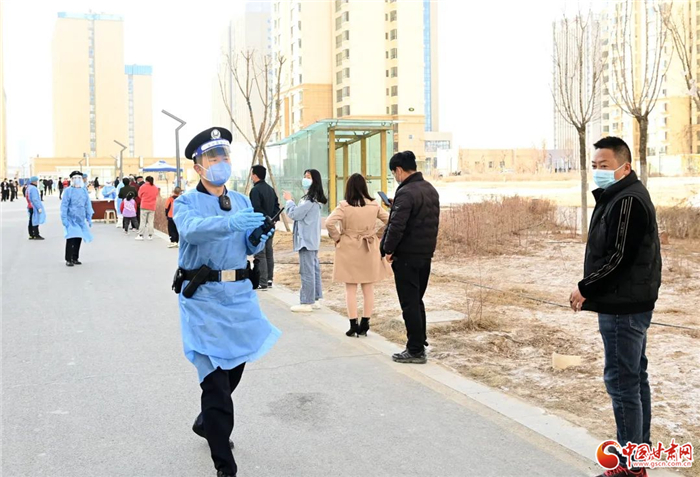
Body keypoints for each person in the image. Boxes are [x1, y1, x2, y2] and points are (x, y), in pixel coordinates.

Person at [174, 127, 279, 477]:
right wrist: (229, 222)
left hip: (239, 299)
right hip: (203, 302)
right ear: (198, 167)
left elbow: (245, 245)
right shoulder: (186, 203)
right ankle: (225, 466)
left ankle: (206, 423)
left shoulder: (242, 201)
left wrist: (257, 236)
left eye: (224, 156)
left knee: (234, 371)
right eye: (213, 157)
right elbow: (192, 230)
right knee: (216, 387)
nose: (221, 162)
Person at [569, 137, 662, 477]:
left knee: (622, 383)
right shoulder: (618, 196)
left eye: (604, 166)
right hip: (627, 302)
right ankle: (639, 454)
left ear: (625, 167)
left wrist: (585, 288)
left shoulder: (628, 200)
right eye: (594, 166)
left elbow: (619, 258)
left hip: (623, 307)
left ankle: (630, 466)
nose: (598, 171)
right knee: (634, 378)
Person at [380, 151, 440, 364]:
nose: (395, 177)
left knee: (409, 303)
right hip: (425, 254)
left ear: (399, 170)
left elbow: (397, 226)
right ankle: (419, 341)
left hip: (406, 255)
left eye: (393, 173)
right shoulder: (430, 189)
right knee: (416, 300)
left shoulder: (406, 192)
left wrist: (387, 249)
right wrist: (396, 205)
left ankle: (415, 349)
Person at [326, 173, 391, 337]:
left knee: (350, 288)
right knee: (368, 288)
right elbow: (390, 220)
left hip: (348, 247)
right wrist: (377, 235)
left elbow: (329, 222)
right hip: (369, 247)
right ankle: (365, 323)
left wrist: (337, 237)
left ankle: (353, 324)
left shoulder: (344, 206)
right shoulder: (374, 205)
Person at [283, 169, 327, 313]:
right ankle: (315, 298)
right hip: (311, 239)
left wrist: (289, 201)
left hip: (306, 240)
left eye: (308, 177)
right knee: (313, 269)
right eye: (305, 176)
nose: (305, 179)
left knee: (307, 271)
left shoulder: (310, 200)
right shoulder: (313, 199)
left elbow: (295, 214)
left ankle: (306, 302)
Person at [249, 165, 281, 290]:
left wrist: (264, 218)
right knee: (269, 252)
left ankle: (262, 281)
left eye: (252, 174)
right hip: (271, 225)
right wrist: (272, 219)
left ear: (255, 175)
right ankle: (269, 279)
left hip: (260, 225)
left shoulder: (255, 190)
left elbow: (256, 208)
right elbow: (277, 206)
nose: (251, 176)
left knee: (260, 253)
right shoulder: (270, 189)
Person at [61, 171, 94, 267]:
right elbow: (64, 205)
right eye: (75, 178)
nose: (77, 180)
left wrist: (89, 217)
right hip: (71, 219)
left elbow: (87, 204)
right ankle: (68, 259)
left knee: (78, 238)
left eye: (79, 178)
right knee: (71, 238)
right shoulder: (68, 191)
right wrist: (64, 218)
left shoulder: (84, 190)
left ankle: (75, 257)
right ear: (71, 179)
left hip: (80, 218)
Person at [135, 176, 159, 241]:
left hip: (144, 205)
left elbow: (139, 195)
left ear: (146, 180)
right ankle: (150, 235)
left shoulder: (143, 187)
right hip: (152, 206)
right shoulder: (155, 188)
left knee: (143, 221)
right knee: (150, 221)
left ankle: (141, 235)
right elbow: (156, 195)